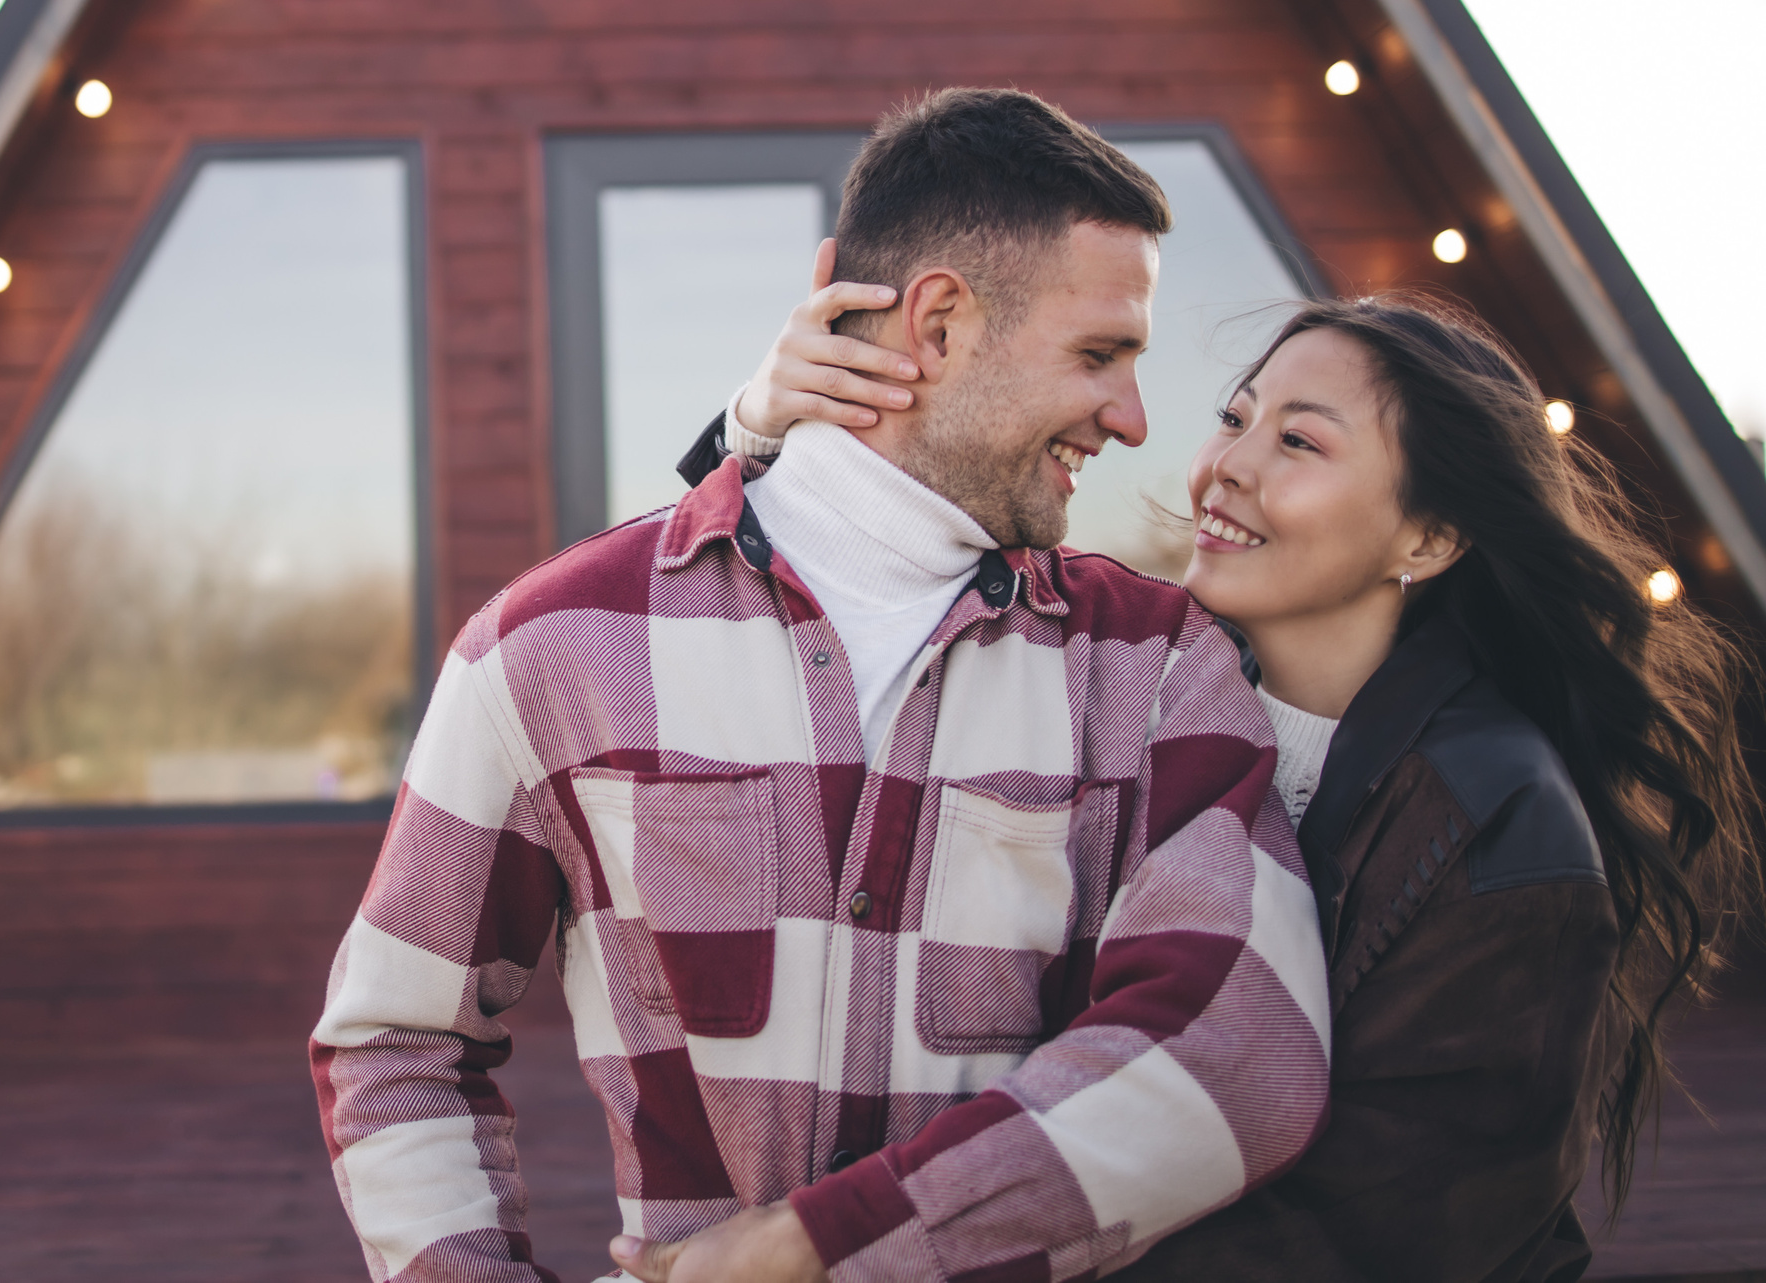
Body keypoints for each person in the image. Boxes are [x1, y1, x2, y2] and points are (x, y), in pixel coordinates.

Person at [312, 89, 1331, 1283]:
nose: (1134, 419)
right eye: (1099, 355)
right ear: (937, 326)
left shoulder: (1152, 666)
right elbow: (397, 1041)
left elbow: (1242, 1049)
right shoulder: (551, 645)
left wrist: (820, 1251)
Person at [730, 275, 1762, 1280]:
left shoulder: (1501, 828)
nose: (1225, 465)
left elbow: (1373, 1236)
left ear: (1430, 535)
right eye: (1235, 418)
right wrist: (761, 438)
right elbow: (846, 626)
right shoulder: (1133, 693)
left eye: (1298, 442)